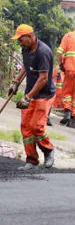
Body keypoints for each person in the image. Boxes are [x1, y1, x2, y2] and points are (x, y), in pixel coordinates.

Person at [9, 24, 56, 171]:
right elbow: (26, 65)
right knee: (26, 128)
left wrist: (28, 97)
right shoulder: (26, 49)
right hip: (30, 92)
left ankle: (48, 151)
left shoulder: (43, 52)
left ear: (30, 36)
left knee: (36, 126)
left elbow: (43, 79)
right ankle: (32, 160)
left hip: (44, 94)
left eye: (21, 39)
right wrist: (16, 82)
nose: (19, 43)